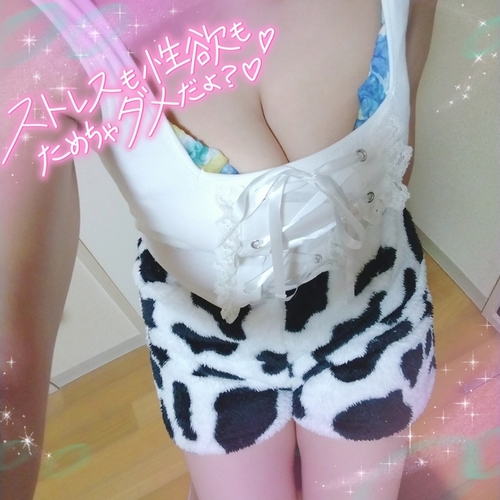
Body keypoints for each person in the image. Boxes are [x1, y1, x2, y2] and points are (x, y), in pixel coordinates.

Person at [0, 0, 438, 498]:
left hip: (376, 318)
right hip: (206, 350)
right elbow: (10, 358)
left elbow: (401, 161)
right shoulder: (37, 26)